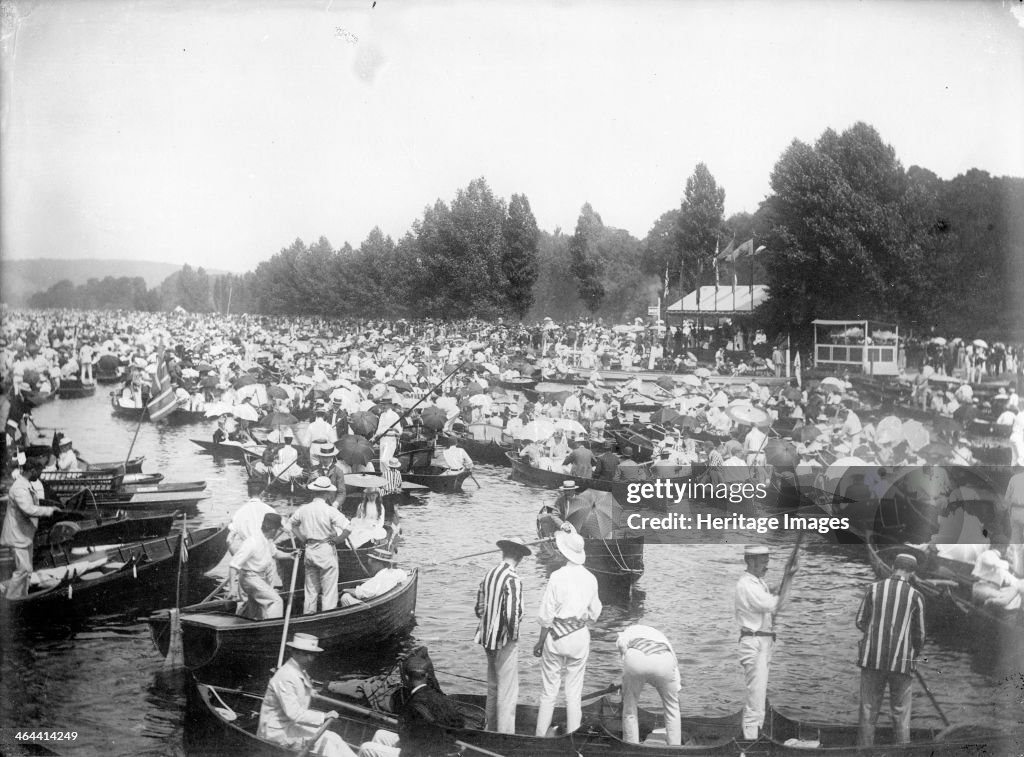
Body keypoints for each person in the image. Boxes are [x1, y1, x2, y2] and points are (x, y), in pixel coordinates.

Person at [533, 529, 602, 737]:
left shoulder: (556, 576)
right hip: (579, 637)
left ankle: (540, 736)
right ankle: (572, 737)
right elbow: (596, 612)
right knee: (574, 693)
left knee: (549, 691)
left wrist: (539, 642)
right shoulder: (591, 578)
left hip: (555, 637)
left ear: (564, 553)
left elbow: (546, 615)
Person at [856, 553, 925, 747]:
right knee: (901, 713)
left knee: (868, 710)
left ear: (893, 566)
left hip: (871, 659)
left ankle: (863, 752)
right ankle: (902, 752)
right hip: (902, 663)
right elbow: (920, 635)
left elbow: (860, 621)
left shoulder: (873, 589)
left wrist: (875, 633)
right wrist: (913, 654)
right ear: (912, 573)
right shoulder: (916, 596)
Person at [735, 544, 797, 740]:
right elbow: (777, 604)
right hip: (756, 645)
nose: (766, 566)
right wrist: (790, 578)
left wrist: (787, 576)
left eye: (767, 561)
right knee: (756, 701)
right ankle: (752, 743)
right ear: (751, 561)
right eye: (763, 562)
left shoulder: (757, 583)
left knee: (758, 700)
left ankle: (754, 738)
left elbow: (774, 593)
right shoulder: (748, 585)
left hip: (762, 644)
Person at [258, 633, 353, 757]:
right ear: (296, 653)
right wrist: (324, 716)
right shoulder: (286, 676)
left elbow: (300, 690)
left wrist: (310, 692)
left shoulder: (299, 671)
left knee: (334, 738)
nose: (312, 658)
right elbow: (295, 713)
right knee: (327, 744)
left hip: (291, 726)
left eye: (313, 655)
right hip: (277, 732)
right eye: (309, 654)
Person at [357, 654, 466, 757]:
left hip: (419, 754)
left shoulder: (413, 704)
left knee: (365, 747)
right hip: (434, 749)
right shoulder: (440, 697)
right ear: (426, 676)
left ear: (406, 678)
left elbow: (405, 738)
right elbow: (459, 723)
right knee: (380, 734)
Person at [474, 537, 531, 734]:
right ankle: (505, 736)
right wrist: (513, 638)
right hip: (504, 641)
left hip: (486, 639)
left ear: (504, 552)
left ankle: (490, 730)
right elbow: (512, 614)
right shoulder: (513, 579)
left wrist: (489, 625)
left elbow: (479, 608)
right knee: (507, 692)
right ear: (519, 556)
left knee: (493, 688)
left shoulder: (489, 574)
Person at [1, 458, 62, 598]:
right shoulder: (19, 488)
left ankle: (22, 596)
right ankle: (12, 600)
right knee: (22, 570)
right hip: (17, 536)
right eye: (39, 471)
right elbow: (28, 509)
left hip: (24, 535)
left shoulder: (26, 484)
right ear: (32, 470)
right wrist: (50, 510)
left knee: (27, 570)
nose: (40, 475)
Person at [290, 477, 352, 614]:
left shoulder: (303, 509)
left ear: (313, 493)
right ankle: (327, 618)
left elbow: (292, 525)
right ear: (327, 494)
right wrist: (337, 540)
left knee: (310, 590)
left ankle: (308, 617)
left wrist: (302, 539)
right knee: (329, 590)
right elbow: (349, 527)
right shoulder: (329, 510)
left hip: (310, 550)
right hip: (325, 550)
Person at [616, 624, 681, 745]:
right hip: (665, 659)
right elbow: (675, 672)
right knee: (672, 707)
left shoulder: (628, 631)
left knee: (630, 708)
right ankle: (675, 746)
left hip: (636, 657)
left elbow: (621, 645)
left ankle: (632, 745)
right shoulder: (661, 637)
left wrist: (626, 680)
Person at [229, 512, 288, 620]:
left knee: (253, 607)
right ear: (273, 530)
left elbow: (275, 553)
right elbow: (234, 565)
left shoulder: (267, 541)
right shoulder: (252, 542)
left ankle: (240, 623)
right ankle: (271, 630)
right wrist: (232, 588)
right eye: (278, 530)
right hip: (250, 578)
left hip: (258, 578)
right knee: (276, 601)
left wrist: (290, 555)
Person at [340, 548, 409, 606]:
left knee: (345, 597)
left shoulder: (378, 579)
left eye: (372, 562)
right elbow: (405, 575)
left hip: (373, 607)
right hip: (382, 600)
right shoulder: (395, 572)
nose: (370, 565)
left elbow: (360, 592)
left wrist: (344, 590)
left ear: (379, 564)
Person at [310, 443, 347, 508]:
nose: (325, 460)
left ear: (332, 457)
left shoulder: (338, 471)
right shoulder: (315, 469)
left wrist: (336, 503)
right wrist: (311, 479)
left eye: (327, 457)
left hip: (332, 506)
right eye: (323, 457)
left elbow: (342, 492)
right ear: (320, 457)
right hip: (317, 505)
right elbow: (308, 489)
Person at [375, 398, 403, 467]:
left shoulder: (395, 415)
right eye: (382, 404)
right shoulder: (382, 415)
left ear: (390, 405)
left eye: (385, 404)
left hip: (390, 440)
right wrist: (375, 436)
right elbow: (379, 429)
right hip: (382, 439)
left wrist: (392, 429)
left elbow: (399, 431)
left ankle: (388, 476)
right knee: (382, 462)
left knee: (385, 461)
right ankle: (384, 476)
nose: (383, 406)